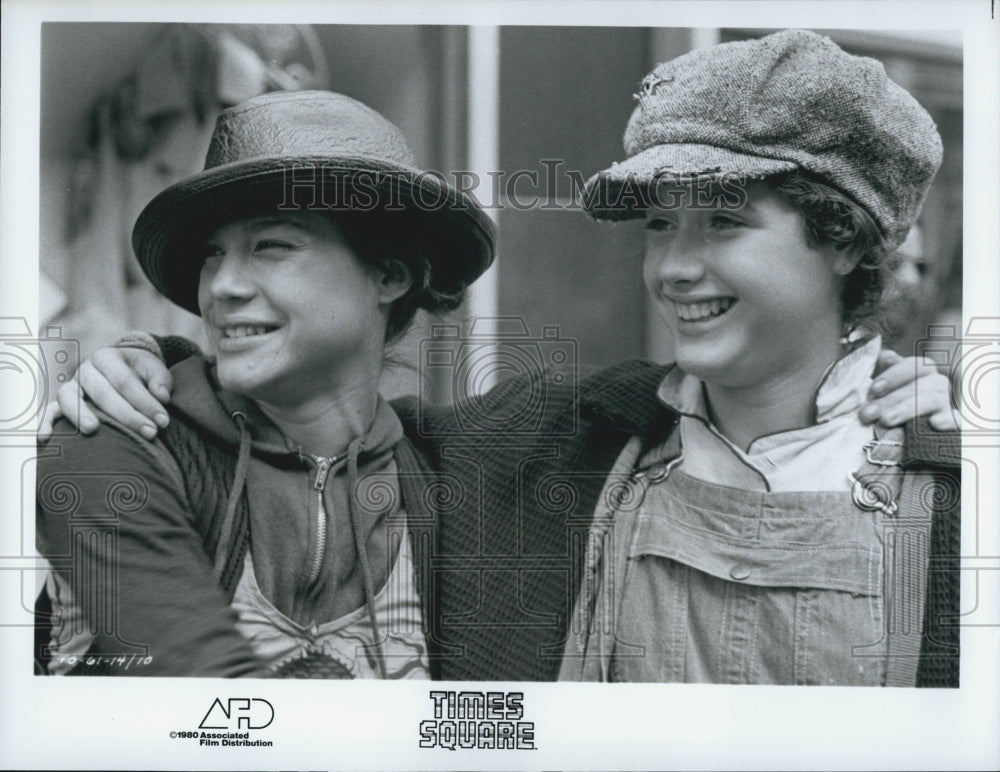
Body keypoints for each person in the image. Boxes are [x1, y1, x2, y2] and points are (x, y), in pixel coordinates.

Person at [44, 31, 960, 685]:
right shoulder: (561, 448)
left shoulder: (949, 481)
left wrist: (940, 421)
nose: (675, 267)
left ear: (843, 238)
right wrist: (149, 360)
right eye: (657, 225)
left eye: (723, 221)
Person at [35, 90, 495, 677]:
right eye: (211, 254)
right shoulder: (109, 441)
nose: (221, 286)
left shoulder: (445, 477)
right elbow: (214, 711)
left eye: (270, 245)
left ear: (390, 273)